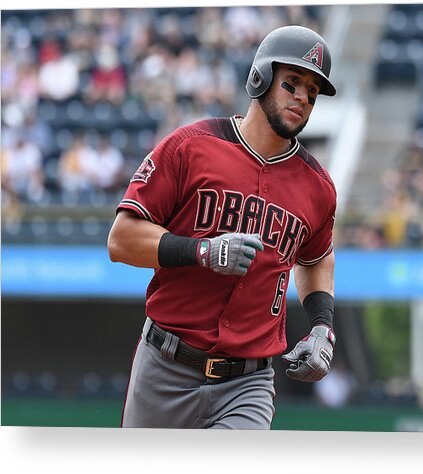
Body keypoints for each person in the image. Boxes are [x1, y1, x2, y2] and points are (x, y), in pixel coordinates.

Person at [107, 25, 338, 429]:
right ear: (260, 78)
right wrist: (203, 251)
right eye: (293, 83)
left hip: (247, 385)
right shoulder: (190, 147)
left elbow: (316, 258)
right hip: (166, 367)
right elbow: (122, 240)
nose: (302, 98)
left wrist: (322, 328)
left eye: (313, 92)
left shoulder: (317, 187)